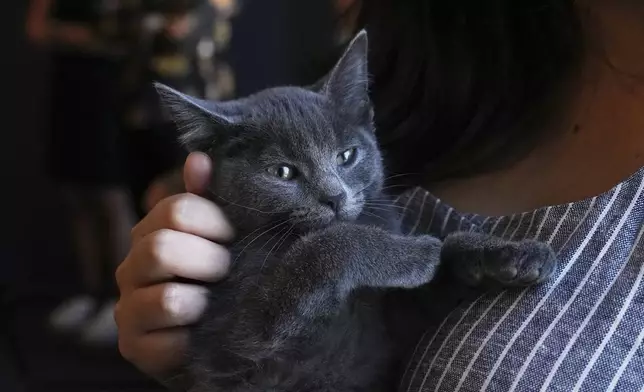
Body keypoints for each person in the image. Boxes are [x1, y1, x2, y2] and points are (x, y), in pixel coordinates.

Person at [115, 0, 644, 390]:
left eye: (346, 160)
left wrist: (442, 262)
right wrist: (168, 330)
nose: (334, 194)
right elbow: (261, 347)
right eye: (284, 171)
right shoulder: (433, 62)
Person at [26, 0, 138, 345]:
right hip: (70, 85)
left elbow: (133, 35)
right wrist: (77, 37)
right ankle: (93, 295)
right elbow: (37, 29)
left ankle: (122, 302)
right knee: (77, 194)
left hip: (112, 89)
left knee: (110, 196)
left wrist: (98, 39)